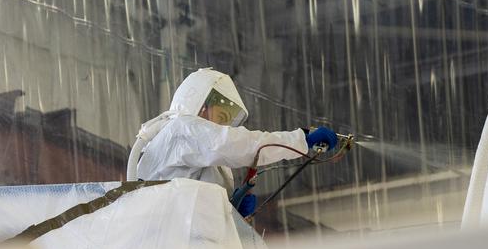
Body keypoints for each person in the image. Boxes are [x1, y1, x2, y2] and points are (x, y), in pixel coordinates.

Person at [127, 68, 337, 215]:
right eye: (219, 116)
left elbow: (193, 208)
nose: (222, 126)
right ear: (199, 103)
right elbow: (236, 144)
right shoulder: (181, 129)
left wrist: (229, 209)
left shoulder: (202, 154)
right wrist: (300, 139)